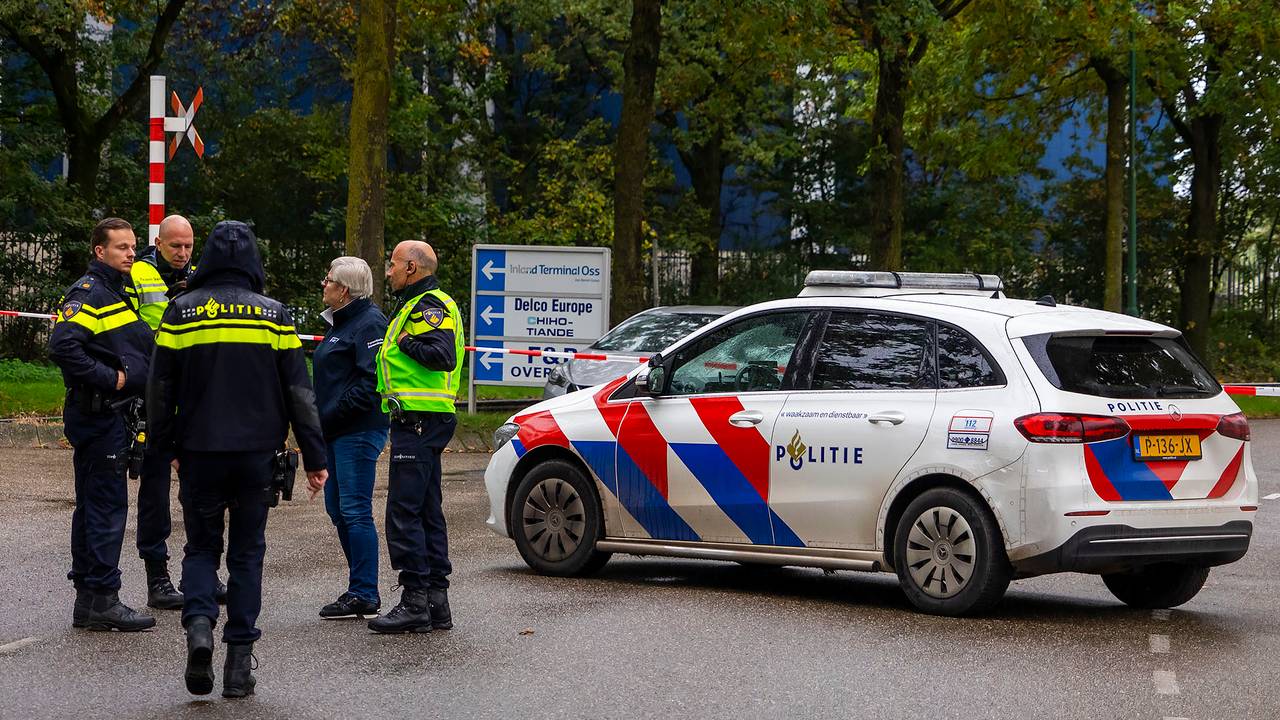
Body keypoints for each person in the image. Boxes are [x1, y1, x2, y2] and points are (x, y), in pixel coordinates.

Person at [147, 220, 327, 698]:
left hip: (199, 452)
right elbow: (299, 393)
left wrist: (163, 449)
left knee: (202, 549)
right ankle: (238, 663)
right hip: (256, 457)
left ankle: (200, 627)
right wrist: (314, 455)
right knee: (247, 555)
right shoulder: (274, 315)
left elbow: (160, 390)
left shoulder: (179, 312)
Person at [48, 217, 156, 631]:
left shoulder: (116, 292)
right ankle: (102, 598)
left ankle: (91, 599)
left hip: (109, 414)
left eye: (132, 247)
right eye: (121, 248)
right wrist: (111, 378)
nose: (131, 254)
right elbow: (63, 347)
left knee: (95, 506)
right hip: (99, 414)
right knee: (106, 508)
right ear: (100, 251)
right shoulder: (90, 293)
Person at [369, 240, 463, 634]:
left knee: (404, 512)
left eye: (392, 264)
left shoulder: (428, 305)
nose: (387, 271)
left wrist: (404, 341)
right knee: (425, 509)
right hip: (424, 418)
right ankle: (436, 603)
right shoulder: (416, 303)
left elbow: (442, 355)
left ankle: (414, 602)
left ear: (411, 267)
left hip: (420, 419)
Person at [124, 214, 197, 610]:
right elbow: (133, 332)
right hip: (152, 394)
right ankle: (158, 578)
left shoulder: (200, 274)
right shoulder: (138, 273)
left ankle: (196, 572)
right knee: (154, 490)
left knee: (198, 490)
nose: (183, 254)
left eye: (188, 246)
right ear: (159, 241)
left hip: (190, 396)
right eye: (175, 247)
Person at [313, 257, 389, 620]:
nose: (323, 285)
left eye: (328, 280)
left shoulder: (369, 322)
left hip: (357, 431)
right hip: (336, 430)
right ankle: (359, 586)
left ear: (343, 290)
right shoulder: (341, 320)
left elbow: (371, 383)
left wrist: (329, 413)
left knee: (355, 510)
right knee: (338, 510)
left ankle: (364, 592)